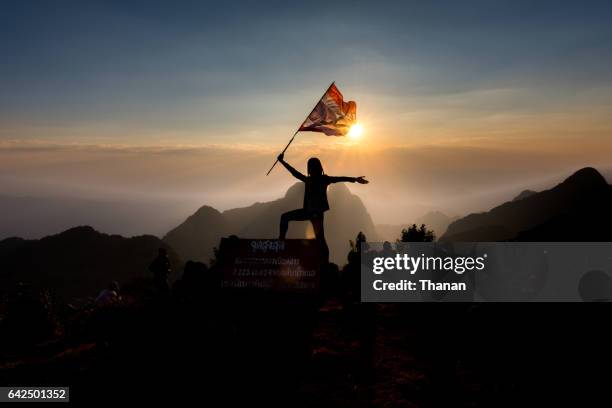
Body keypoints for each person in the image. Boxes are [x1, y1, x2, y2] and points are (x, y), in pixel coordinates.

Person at [277, 153, 368, 263]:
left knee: (286, 218)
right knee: (320, 240)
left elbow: (294, 173)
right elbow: (340, 178)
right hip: (315, 213)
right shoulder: (320, 179)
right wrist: (355, 179)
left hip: (311, 212)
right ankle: (325, 262)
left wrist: (282, 161)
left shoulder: (312, 180)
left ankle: (281, 242)